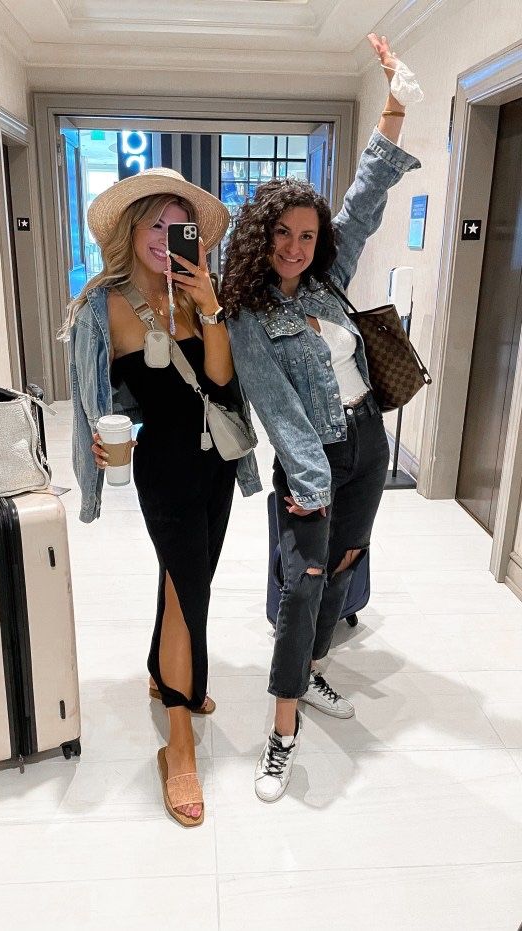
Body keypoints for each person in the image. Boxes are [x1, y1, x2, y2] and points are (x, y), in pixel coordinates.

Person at [222, 34, 422, 802]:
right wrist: (309, 484)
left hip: (368, 440)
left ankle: (311, 674)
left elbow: (367, 195)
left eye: (308, 236)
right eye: (284, 235)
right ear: (262, 235)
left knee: (344, 563)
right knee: (302, 581)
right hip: (313, 460)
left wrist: (396, 101)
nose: (297, 248)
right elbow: (278, 411)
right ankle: (281, 737)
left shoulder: (328, 278)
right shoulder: (249, 312)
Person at [65, 168, 261, 826]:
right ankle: (178, 743)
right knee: (187, 592)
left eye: (176, 226)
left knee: (190, 578)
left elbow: (221, 379)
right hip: (164, 468)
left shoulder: (202, 292)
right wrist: (97, 445)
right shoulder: (106, 305)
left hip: (217, 464)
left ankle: (160, 666)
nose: (163, 236)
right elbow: (97, 404)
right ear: (130, 229)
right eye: (154, 223)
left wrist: (208, 302)